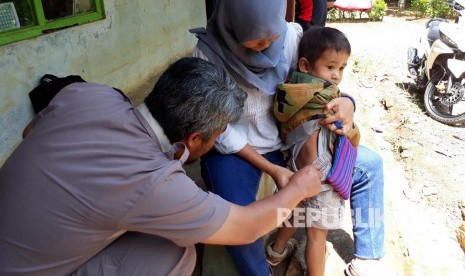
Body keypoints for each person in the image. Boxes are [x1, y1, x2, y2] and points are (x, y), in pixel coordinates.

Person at [0, 57, 324, 275]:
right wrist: (297, 189)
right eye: (217, 134)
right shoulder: (156, 181)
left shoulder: (87, 94)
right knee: (177, 252)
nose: (218, 139)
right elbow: (248, 227)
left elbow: (31, 132)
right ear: (195, 139)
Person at [191, 0, 393, 275]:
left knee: (370, 166)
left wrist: (348, 103)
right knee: (236, 217)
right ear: (233, 24)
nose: (266, 45)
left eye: (271, 35)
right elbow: (220, 130)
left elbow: (322, 79)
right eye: (255, 38)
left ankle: (367, 258)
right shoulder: (207, 56)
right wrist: (272, 169)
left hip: (289, 141)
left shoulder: (293, 36)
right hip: (237, 150)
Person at [268, 26, 359, 276]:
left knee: (294, 213)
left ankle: (275, 252)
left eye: (341, 68)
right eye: (331, 67)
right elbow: (348, 133)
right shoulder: (329, 99)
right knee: (316, 238)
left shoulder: (290, 89)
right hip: (322, 177)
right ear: (306, 65)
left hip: (295, 169)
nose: (337, 76)